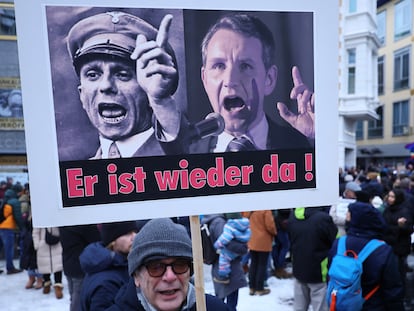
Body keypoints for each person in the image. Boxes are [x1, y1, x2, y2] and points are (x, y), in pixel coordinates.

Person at [66, 11, 185, 159]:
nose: (106, 85)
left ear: (148, 91)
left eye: (122, 74)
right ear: (82, 95)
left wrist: (162, 101)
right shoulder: (80, 177)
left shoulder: (181, 158)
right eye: (93, 75)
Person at [191, 13, 314, 153]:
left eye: (245, 66)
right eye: (219, 66)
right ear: (205, 79)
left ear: (269, 79)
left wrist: (318, 136)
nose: (230, 81)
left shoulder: (300, 146)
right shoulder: (187, 151)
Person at [107, 217, 229, 311]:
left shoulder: (215, 308)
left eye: (180, 265)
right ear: (137, 277)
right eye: (156, 267)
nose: (170, 277)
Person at [328, 201, 405, 310]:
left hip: (342, 303)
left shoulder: (339, 243)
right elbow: (392, 290)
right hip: (372, 305)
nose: (346, 217)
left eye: (349, 214)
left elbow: (330, 274)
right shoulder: (383, 250)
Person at [80, 221, 138, 311]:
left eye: (135, 231)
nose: (135, 237)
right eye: (127, 234)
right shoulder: (106, 284)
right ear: (113, 241)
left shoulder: (117, 264)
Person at [288, 207, 337, 311]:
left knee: (299, 306)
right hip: (319, 269)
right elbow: (336, 242)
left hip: (298, 266)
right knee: (320, 306)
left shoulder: (293, 216)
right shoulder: (323, 219)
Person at [201, 214, 248, 310]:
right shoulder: (219, 222)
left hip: (219, 266)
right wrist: (243, 248)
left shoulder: (211, 220)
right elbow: (227, 243)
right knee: (230, 303)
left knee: (221, 301)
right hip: (228, 268)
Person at [382, 188, 413, 305]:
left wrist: (400, 227)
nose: (389, 199)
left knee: (400, 273)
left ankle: (403, 297)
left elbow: (408, 229)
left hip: (399, 247)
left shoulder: (405, 211)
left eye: (392, 197)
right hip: (388, 244)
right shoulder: (387, 210)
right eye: (389, 196)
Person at [59, 224, 101, 311]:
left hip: (68, 264)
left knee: (74, 298)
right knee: (78, 300)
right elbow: (97, 239)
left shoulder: (63, 224)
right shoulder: (83, 225)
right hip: (80, 267)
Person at [245, 210, 277, 296]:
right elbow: (270, 226)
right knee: (262, 265)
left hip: (252, 240)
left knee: (253, 264)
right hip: (263, 241)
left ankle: (252, 287)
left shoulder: (250, 209)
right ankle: (259, 288)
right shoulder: (265, 211)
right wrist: (275, 232)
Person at [213, 213, 251, 284]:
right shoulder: (246, 224)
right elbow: (248, 235)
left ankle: (224, 277)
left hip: (232, 250)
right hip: (241, 248)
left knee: (224, 258)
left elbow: (225, 238)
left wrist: (217, 245)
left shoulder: (230, 226)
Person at [32, 226, 64, 299]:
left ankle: (58, 284)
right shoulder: (39, 217)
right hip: (43, 245)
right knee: (44, 265)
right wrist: (37, 245)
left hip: (57, 242)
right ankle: (47, 283)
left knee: (58, 265)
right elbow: (35, 232)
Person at [0, 188, 23, 274]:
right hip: (7, 228)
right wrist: (22, 227)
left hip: (1, 226)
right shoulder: (14, 202)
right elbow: (18, 217)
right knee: (9, 249)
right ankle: (10, 268)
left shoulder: (3, 201)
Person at [271, 208, 292, 279]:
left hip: (276, 223)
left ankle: (277, 266)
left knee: (276, 247)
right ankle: (280, 267)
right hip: (282, 224)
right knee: (285, 246)